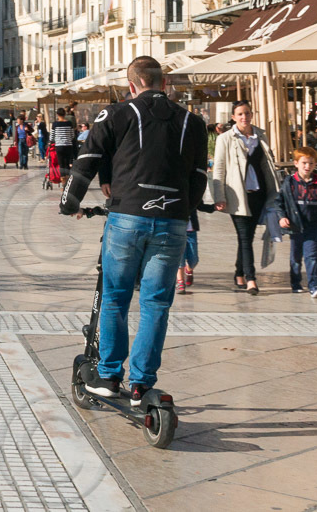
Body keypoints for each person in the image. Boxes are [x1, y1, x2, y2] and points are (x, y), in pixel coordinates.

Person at [60, 56, 208, 404]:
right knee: (156, 303)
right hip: (173, 221)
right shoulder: (194, 122)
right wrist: (182, 211)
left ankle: (110, 375)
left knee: (116, 297)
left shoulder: (116, 114)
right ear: (164, 84)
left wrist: (69, 202)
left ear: (131, 85)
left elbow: (87, 161)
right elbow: (199, 178)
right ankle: (142, 384)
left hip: (127, 217)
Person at [211, 100, 280, 295]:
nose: (244, 117)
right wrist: (219, 196)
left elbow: (267, 164)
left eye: (247, 113)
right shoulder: (225, 139)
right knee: (244, 237)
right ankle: (251, 279)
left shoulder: (260, 135)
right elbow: (219, 170)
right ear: (233, 117)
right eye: (240, 114)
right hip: (238, 196)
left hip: (259, 193)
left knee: (247, 237)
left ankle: (239, 273)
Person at [278, 146, 317, 297]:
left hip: (313, 225)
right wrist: (281, 216)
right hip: (295, 224)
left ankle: (314, 285)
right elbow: (279, 201)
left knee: (312, 256)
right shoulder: (289, 182)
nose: (307, 166)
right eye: (304, 163)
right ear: (296, 163)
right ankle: (296, 282)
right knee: (296, 256)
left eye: (311, 163)